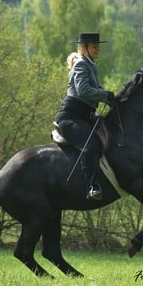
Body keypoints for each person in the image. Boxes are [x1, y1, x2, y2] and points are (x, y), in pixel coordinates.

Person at [55, 32, 115, 200]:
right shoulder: (81, 64)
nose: (97, 49)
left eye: (98, 46)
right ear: (84, 48)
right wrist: (104, 95)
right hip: (71, 117)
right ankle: (91, 187)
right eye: (94, 46)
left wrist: (111, 100)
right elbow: (83, 91)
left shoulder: (91, 65)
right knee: (89, 145)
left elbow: (96, 90)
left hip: (86, 116)